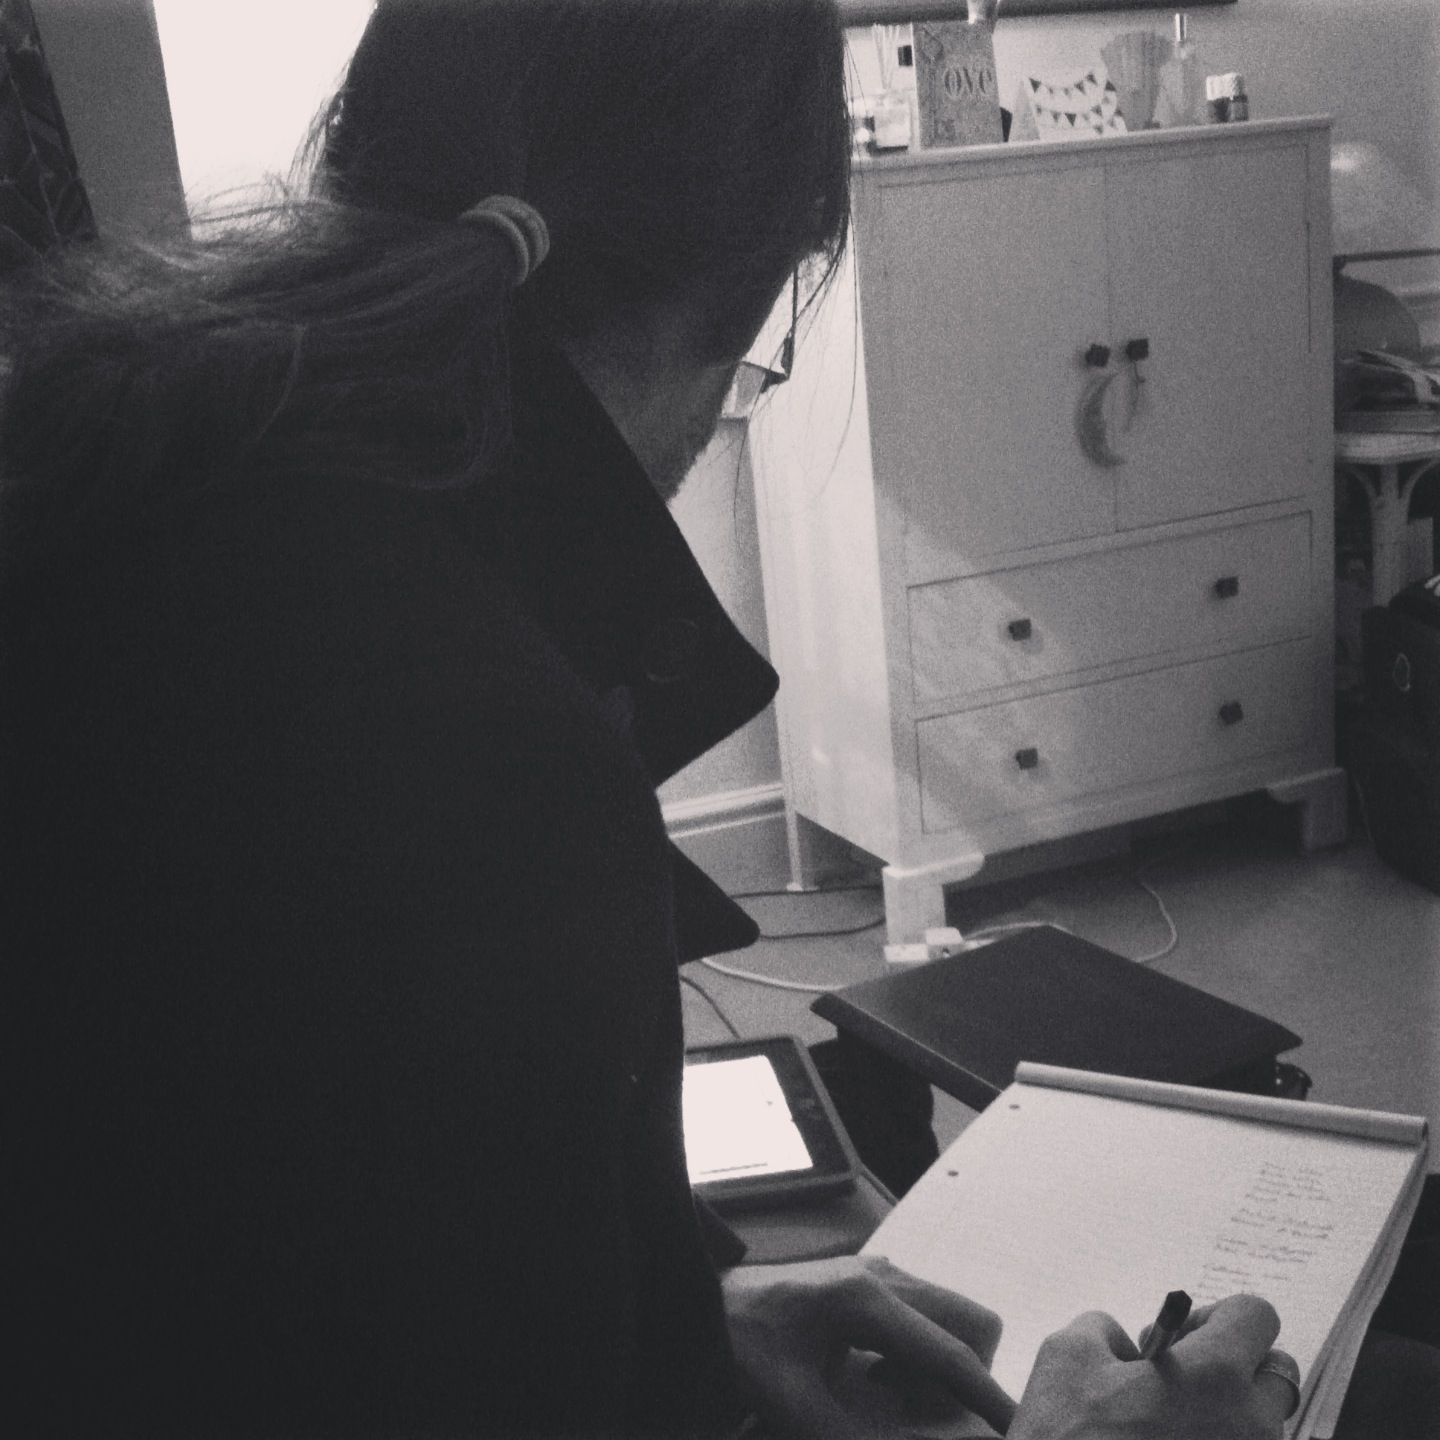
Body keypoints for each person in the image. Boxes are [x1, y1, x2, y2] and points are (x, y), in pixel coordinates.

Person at [0, 1, 1407, 1435]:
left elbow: (274, 1271)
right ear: (732, 289)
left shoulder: (145, 487)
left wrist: (673, 1318)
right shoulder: (474, 760)